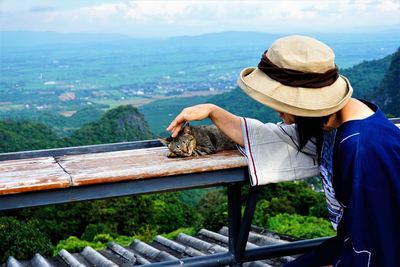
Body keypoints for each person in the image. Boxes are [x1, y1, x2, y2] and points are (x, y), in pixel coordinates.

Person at [167, 35, 400, 266]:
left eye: (282, 104)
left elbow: (376, 247)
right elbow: (268, 137)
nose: (278, 113)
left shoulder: (364, 148)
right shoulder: (336, 124)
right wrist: (213, 111)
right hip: (349, 244)